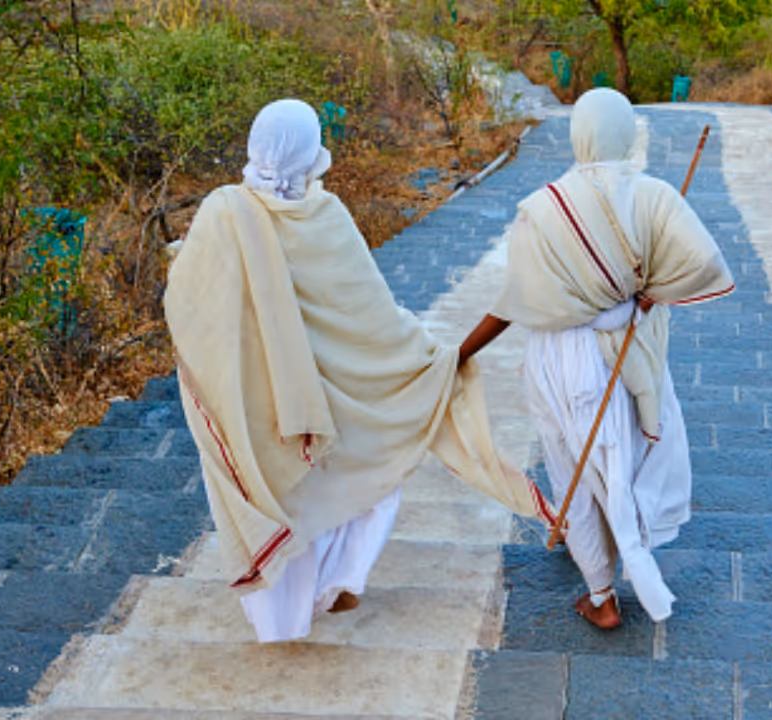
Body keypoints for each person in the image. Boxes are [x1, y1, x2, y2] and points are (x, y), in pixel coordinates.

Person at [165, 99, 555, 643]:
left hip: (251, 404)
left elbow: (188, 303)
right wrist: (428, 359)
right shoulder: (323, 218)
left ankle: (281, 621)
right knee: (366, 480)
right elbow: (372, 316)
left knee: (280, 499)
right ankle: (337, 582)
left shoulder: (221, 214)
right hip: (326, 403)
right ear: (309, 151)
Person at [458, 89, 734, 629]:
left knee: (575, 467)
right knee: (621, 457)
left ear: (578, 133)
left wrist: (460, 354)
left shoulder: (543, 206)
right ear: (626, 132)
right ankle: (627, 548)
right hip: (626, 349)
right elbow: (703, 261)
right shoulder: (653, 194)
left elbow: (511, 301)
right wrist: (649, 293)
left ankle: (601, 594)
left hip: (560, 358)